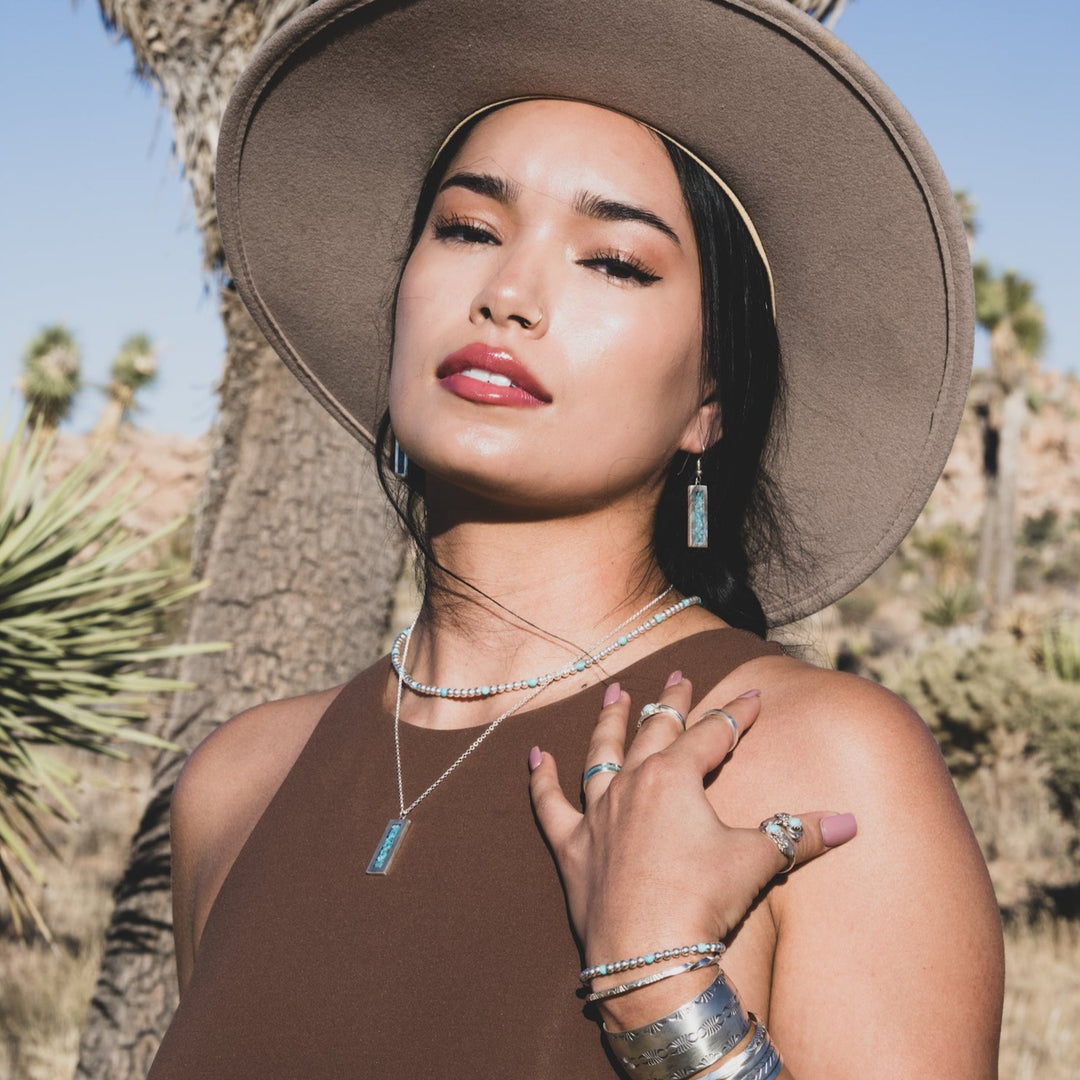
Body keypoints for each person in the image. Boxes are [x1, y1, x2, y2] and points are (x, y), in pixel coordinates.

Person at [148, 1, 1004, 1077]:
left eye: (614, 262)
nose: (507, 294)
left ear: (710, 401)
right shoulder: (238, 784)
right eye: (467, 229)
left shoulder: (818, 769)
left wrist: (673, 1004)